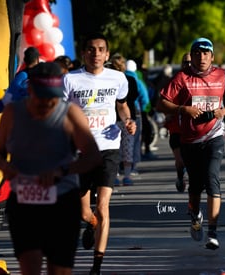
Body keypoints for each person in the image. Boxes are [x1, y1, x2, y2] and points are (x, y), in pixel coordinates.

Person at [0, 62, 102, 275]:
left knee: (58, 270)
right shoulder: (13, 113)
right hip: (24, 202)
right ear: (30, 90)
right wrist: (7, 168)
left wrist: (61, 171)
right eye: (42, 96)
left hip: (61, 202)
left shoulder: (70, 114)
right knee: (29, 268)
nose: (47, 103)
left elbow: (93, 156)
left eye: (53, 97)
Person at [63, 32, 136, 275]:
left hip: (108, 148)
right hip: (80, 150)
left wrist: (128, 121)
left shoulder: (118, 78)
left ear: (107, 54)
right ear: (83, 53)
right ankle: (91, 224)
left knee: (103, 207)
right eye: (91, 49)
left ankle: (97, 265)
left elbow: (122, 106)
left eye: (101, 49)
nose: (96, 54)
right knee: (84, 211)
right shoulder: (70, 80)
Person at [157, 37, 225, 250]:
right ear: (192, 56)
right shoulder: (182, 78)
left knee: (212, 179)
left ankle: (213, 232)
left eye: (206, 53)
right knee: (195, 185)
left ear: (212, 56)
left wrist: (223, 111)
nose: (201, 57)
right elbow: (161, 103)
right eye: (197, 53)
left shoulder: (222, 75)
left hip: (214, 136)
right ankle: (195, 216)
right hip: (189, 139)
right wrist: (183, 110)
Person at [108, 53, 139, 186]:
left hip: (112, 118)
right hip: (128, 117)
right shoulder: (130, 80)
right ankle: (127, 176)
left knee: (114, 148)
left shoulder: (108, 80)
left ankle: (115, 176)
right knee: (127, 147)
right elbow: (135, 95)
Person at [163, 53, 191, 192]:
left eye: (191, 62)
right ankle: (181, 176)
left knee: (193, 160)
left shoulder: (199, 81)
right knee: (180, 162)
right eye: (185, 62)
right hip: (176, 129)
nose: (189, 65)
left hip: (193, 129)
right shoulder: (175, 81)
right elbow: (164, 102)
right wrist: (168, 114)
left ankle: (195, 180)